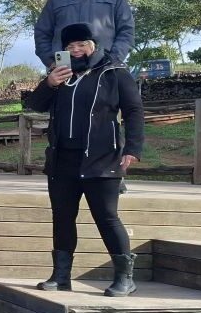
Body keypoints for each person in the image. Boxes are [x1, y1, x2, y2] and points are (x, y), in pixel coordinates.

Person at [25, 23, 144, 298]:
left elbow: (134, 111)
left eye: (81, 44)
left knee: (107, 217)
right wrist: (49, 84)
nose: (76, 50)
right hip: (62, 160)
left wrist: (133, 148)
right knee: (62, 217)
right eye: (70, 46)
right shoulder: (60, 75)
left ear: (93, 45)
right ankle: (61, 277)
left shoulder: (114, 72)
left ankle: (125, 278)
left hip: (102, 159)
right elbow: (34, 105)